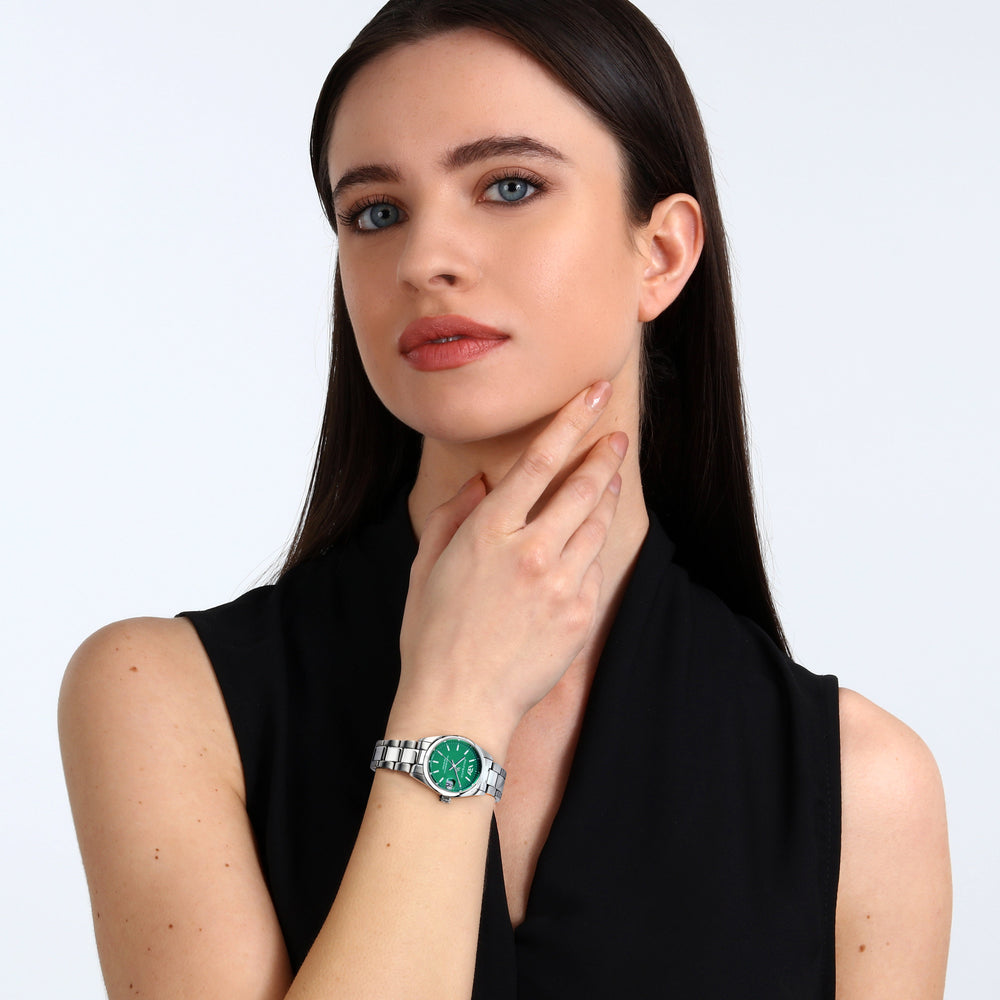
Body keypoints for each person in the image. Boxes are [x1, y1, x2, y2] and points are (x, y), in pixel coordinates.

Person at [58, 1, 951, 996]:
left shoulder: (862, 791)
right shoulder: (163, 698)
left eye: (509, 185)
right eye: (375, 212)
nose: (424, 260)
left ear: (661, 253)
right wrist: (456, 705)